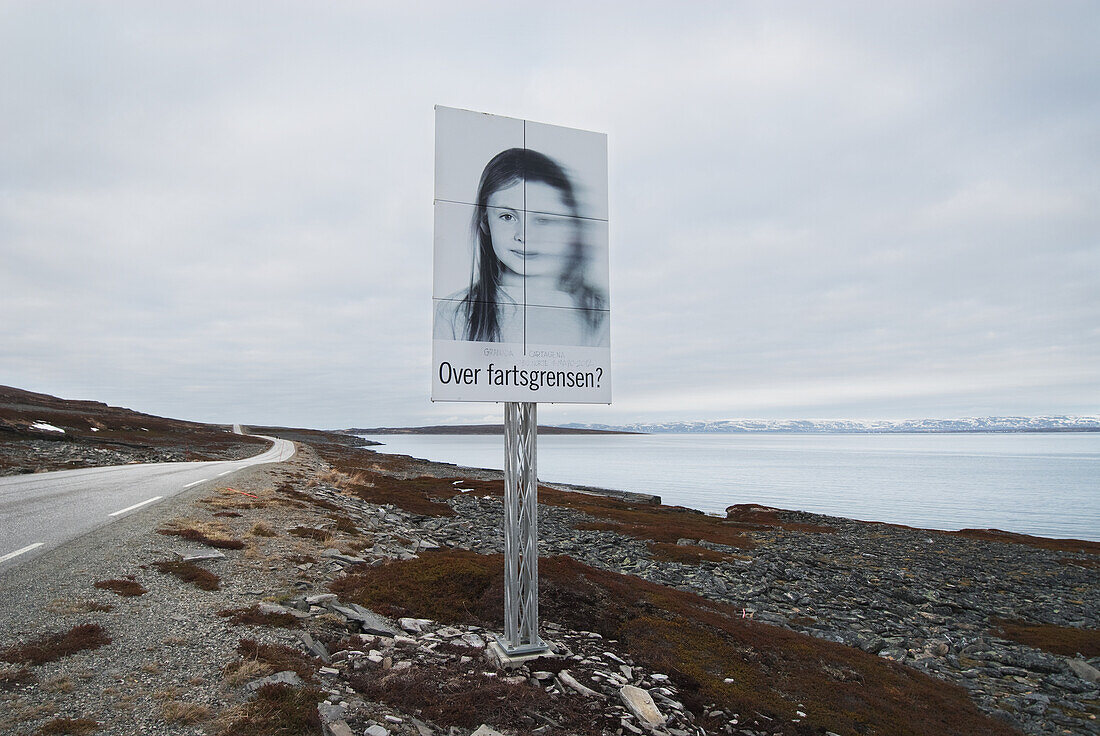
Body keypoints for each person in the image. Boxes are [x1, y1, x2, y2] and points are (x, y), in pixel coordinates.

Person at [434, 148, 608, 346]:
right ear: (485, 222)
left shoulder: (597, 313)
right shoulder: (454, 313)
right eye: (507, 217)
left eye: (542, 219)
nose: (524, 236)